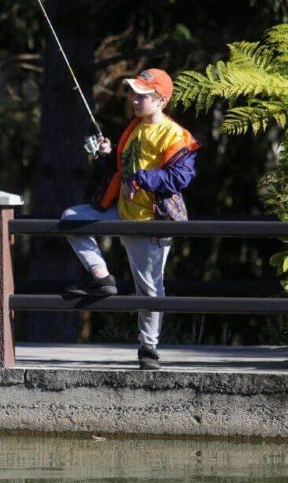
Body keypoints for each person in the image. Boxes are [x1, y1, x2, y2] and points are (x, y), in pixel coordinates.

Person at [61, 68, 200, 370]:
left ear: (161, 100)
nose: (135, 100)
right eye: (134, 94)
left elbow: (182, 177)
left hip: (151, 221)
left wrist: (144, 179)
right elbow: (122, 168)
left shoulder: (176, 135)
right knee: (71, 218)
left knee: (149, 289)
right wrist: (106, 153)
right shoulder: (134, 128)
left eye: (143, 95)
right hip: (122, 213)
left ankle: (148, 348)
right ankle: (102, 278)